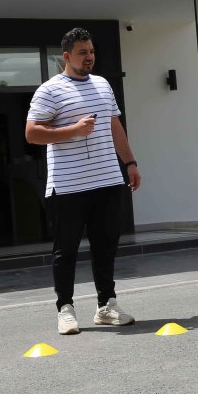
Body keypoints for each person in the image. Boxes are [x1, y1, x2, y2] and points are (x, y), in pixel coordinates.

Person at [26, 27, 142, 335]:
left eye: (91, 51)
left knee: (106, 247)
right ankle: (65, 309)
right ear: (66, 56)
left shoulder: (103, 85)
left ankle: (106, 306)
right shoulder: (50, 90)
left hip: (107, 180)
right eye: (82, 52)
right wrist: (73, 131)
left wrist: (129, 162)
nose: (89, 57)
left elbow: (114, 124)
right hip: (68, 186)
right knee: (66, 251)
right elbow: (32, 133)